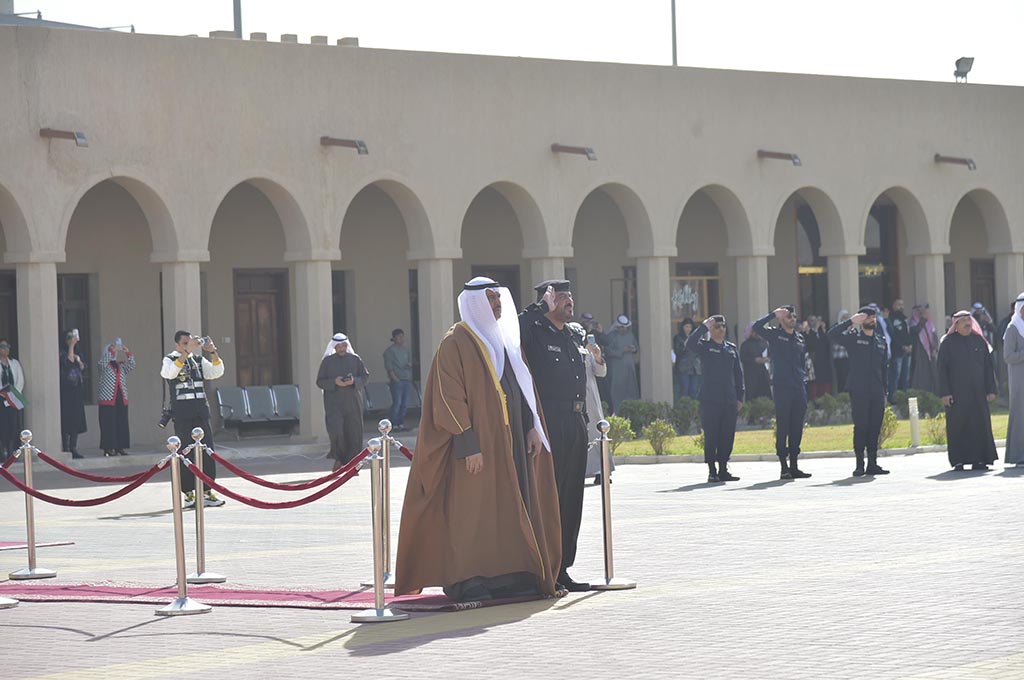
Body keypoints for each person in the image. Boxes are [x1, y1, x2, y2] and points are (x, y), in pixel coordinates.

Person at [395, 277, 561, 601]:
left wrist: (532, 427)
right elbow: (448, 398)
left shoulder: (505, 340)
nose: (497, 308)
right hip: (476, 448)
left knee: (511, 506)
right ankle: (468, 578)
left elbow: (522, 388)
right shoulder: (455, 342)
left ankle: (510, 574)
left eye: (499, 302)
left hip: (512, 443)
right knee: (474, 513)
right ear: (475, 305)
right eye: (491, 303)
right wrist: (469, 444)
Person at [520, 279, 590, 591]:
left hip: (576, 420)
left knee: (572, 498)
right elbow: (512, 330)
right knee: (550, 496)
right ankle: (543, 567)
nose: (568, 302)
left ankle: (563, 568)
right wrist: (538, 310)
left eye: (569, 296)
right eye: (560, 297)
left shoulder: (573, 333)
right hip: (549, 421)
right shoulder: (533, 332)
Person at [160, 331, 226, 507]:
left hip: (201, 412)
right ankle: (188, 493)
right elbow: (170, 374)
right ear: (177, 345)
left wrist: (212, 352)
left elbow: (216, 372)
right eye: (185, 343)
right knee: (184, 454)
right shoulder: (170, 359)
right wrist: (185, 353)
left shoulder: (197, 360)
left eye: (190, 342)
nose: (189, 345)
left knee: (207, 451)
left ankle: (207, 491)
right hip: (183, 414)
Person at [828, 307, 890, 476]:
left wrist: (886, 392)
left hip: (877, 389)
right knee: (861, 426)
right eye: (867, 317)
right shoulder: (853, 338)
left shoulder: (880, 341)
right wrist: (850, 321)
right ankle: (859, 464)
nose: (871, 320)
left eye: (873, 317)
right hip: (859, 389)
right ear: (861, 320)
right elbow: (831, 334)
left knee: (875, 427)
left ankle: (872, 463)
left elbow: (884, 368)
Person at [754, 305, 812, 479]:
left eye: (793, 316)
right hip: (782, 387)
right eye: (788, 316)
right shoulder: (775, 335)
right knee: (783, 426)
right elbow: (756, 327)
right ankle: (784, 466)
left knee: (796, 427)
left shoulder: (800, 338)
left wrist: (804, 381)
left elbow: (802, 363)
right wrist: (773, 314)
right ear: (781, 320)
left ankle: (794, 466)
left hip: (798, 387)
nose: (792, 319)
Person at [937, 311, 998, 471]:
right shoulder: (947, 343)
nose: (967, 323)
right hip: (956, 394)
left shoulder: (979, 341)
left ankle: (980, 459)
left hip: (978, 393)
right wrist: (944, 393)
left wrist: (991, 389)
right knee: (958, 425)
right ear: (955, 324)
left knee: (979, 425)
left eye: (968, 320)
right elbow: (942, 370)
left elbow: (988, 367)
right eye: (963, 321)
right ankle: (959, 460)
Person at [687, 315, 744, 482]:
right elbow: (690, 343)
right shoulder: (705, 347)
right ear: (711, 330)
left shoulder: (731, 349)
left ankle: (723, 468)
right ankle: (712, 470)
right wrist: (703, 327)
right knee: (712, 435)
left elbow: (738, 375)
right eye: (717, 326)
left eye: (723, 326)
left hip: (729, 399)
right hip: (710, 399)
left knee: (727, 435)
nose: (721, 329)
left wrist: (740, 397)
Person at [568, 322, 613, 485]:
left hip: (590, 399)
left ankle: (603, 470)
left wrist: (597, 356)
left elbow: (601, 372)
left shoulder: (586, 351)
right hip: (572, 398)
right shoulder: (567, 350)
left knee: (597, 432)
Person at [316, 333, 369, 471]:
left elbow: (365, 376)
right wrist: (335, 382)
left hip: (353, 403)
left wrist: (353, 381)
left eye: (344, 345)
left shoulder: (355, 359)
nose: (342, 348)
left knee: (354, 432)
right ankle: (339, 459)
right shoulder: (327, 362)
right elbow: (320, 381)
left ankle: (353, 464)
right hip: (334, 404)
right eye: (338, 346)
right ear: (334, 347)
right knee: (337, 431)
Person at [97, 339, 135, 456]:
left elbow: (132, 365)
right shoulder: (103, 365)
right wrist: (112, 351)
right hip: (107, 399)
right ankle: (108, 448)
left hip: (121, 398)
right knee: (108, 424)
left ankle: (120, 447)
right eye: (111, 350)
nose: (115, 352)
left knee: (121, 423)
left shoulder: (120, 365)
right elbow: (102, 363)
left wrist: (127, 352)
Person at [59, 330, 87, 459]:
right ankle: (65, 446)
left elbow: (82, 367)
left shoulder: (79, 352)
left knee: (76, 419)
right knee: (67, 419)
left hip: (77, 391)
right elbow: (68, 362)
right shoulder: (62, 352)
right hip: (66, 392)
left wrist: (79, 360)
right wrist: (71, 346)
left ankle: (73, 447)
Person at [1003, 292, 1024, 468]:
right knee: (1020, 415)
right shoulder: (1012, 328)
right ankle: (1018, 455)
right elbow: (1008, 356)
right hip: (1019, 379)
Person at [604, 314, 640, 414]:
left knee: (631, 390)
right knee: (617, 391)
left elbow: (636, 347)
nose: (623, 330)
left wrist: (633, 349)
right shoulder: (611, 336)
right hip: (617, 369)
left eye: (625, 328)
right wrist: (622, 350)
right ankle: (616, 412)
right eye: (622, 327)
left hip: (630, 367)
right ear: (618, 327)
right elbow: (608, 351)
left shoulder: (630, 334)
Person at [383, 328, 413, 432]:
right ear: (394, 338)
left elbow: (409, 362)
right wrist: (395, 379)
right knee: (397, 402)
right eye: (399, 336)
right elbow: (389, 367)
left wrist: (409, 367)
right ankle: (393, 424)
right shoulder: (389, 351)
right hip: (397, 381)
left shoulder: (406, 350)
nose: (402, 338)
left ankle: (401, 423)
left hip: (406, 380)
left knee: (405, 403)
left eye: (402, 336)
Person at [0, 339, 25, 461]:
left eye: (7, 346)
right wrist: (3, 394)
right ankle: (3, 451)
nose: (6, 349)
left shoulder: (14, 363)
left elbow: (20, 380)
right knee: (3, 425)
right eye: (3, 347)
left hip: (14, 398)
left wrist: (14, 394)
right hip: (1, 399)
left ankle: (11, 451)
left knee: (13, 425)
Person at [909, 304, 939, 394]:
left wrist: (935, 348)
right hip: (919, 351)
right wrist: (923, 319)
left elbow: (934, 336)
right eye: (919, 311)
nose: (921, 313)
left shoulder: (929, 323)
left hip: (930, 351)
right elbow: (916, 330)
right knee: (920, 374)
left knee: (932, 373)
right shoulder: (913, 322)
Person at [887, 299, 913, 400]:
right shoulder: (891, 319)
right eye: (898, 305)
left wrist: (910, 345)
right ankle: (893, 398)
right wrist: (902, 346)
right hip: (897, 352)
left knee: (905, 377)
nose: (901, 307)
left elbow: (908, 333)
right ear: (893, 306)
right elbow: (893, 336)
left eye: (902, 305)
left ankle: (904, 398)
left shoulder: (904, 319)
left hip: (907, 352)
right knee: (895, 376)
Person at [740, 323, 771, 400]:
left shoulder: (764, 343)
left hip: (764, 375)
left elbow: (770, 355)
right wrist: (755, 360)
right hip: (751, 376)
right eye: (754, 331)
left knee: (766, 396)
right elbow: (743, 358)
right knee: (751, 397)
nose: (756, 333)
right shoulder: (745, 344)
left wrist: (767, 359)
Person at [805, 315, 833, 399]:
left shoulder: (822, 333)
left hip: (824, 361)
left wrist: (823, 330)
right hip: (814, 362)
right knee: (814, 383)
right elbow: (811, 344)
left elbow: (827, 343)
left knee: (825, 381)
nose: (815, 322)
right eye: (812, 320)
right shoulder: (807, 333)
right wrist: (815, 330)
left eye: (815, 320)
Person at [673, 318, 701, 402]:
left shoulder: (695, 338)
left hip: (694, 368)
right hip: (683, 368)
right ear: (683, 327)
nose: (688, 329)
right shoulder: (678, 338)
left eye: (690, 327)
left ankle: (694, 412)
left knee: (694, 391)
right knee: (684, 390)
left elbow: (699, 351)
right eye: (686, 326)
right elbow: (677, 351)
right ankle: (683, 411)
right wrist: (684, 344)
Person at [831, 310, 851, 393]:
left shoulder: (850, 328)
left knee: (848, 379)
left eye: (847, 318)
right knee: (841, 379)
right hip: (839, 358)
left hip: (848, 357)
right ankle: (841, 397)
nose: (845, 319)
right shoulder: (836, 328)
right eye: (844, 318)